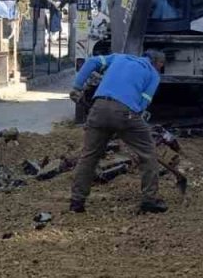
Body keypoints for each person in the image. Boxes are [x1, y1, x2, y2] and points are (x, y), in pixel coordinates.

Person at [69, 50, 169, 215]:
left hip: (98, 108)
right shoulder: (153, 74)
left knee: (89, 156)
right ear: (158, 63)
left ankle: (76, 202)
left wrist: (77, 87)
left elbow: (92, 62)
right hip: (126, 114)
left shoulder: (120, 58)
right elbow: (143, 103)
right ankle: (149, 201)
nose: (160, 68)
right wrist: (130, 124)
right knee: (148, 154)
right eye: (161, 66)